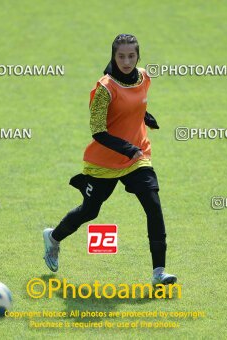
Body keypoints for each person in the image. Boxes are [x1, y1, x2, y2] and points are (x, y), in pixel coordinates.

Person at [43, 34, 177, 286]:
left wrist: (144, 117)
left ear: (138, 56)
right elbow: (98, 130)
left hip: (137, 156)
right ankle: (53, 238)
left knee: (153, 204)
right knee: (90, 211)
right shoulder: (104, 88)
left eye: (131, 56)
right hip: (105, 161)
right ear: (113, 57)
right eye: (121, 56)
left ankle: (159, 272)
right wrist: (127, 147)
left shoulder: (144, 77)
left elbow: (132, 104)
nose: (126, 61)